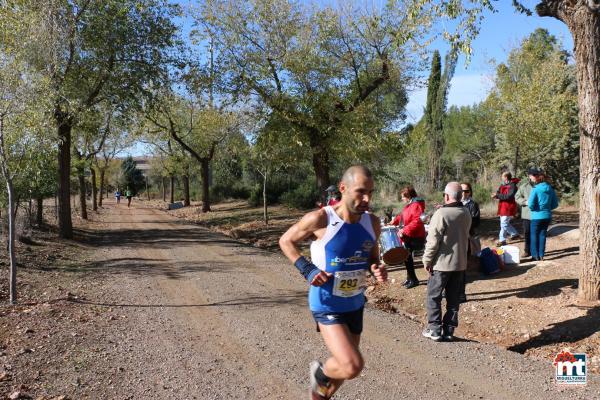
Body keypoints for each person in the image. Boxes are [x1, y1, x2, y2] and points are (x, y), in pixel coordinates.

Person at [279, 165, 387, 400]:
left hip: (355, 303)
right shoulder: (322, 219)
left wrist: (376, 268)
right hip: (326, 303)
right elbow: (286, 240)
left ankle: (318, 397)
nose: (367, 198)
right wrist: (306, 269)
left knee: (344, 368)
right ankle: (319, 374)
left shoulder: (373, 223)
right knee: (352, 366)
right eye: (360, 192)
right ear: (343, 188)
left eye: (371, 192)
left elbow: (371, 256)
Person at [422, 182, 471, 342]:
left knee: (433, 296)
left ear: (447, 196)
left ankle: (435, 329)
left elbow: (432, 240)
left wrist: (427, 260)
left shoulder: (441, 214)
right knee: (453, 298)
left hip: (441, 264)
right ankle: (449, 330)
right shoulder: (466, 212)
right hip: (460, 263)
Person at [391, 186, 426, 289]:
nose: (402, 199)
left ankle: (413, 280)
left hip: (416, 236)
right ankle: (410, 278)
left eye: (403, 197)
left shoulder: (416, 205)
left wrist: (404, 230)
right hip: (409, 235)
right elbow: (403, 216)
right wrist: (395, 221)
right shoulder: (410, 205)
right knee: (406, 257)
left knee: (407, 256)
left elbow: (417, 221)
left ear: (408, 195)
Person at [528, 171, 559, 261]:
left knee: (534, 235)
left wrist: (534, 209)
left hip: (536, 216)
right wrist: (547, 208)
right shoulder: (550, 188)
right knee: (542, 235)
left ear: (537, 178)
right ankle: (541, 255)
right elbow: (555, 204)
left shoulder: (536, 189)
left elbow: (530, 204)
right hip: (547, 216)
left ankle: (535, 256)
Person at [460, 182, 480, 303]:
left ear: (470, 192)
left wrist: (466, 226)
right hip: (455, 239)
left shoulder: (473, 204)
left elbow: (476, 221)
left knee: (463, 264)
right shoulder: (453, 203)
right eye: (462, 191)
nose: (464, 193)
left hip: (467, 237)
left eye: (466, 191)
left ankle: (461, 293)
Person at [491, 171, 520, 246]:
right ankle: (503, 240)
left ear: (506, 177)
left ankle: (514, 233)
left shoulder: (513, 186)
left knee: (504, 223)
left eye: (502, 176)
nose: (501, 177)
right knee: (503, 223)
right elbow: (498, 192)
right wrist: (495, 195)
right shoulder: (502, 185)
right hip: (502, 206)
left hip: (509, 207)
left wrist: (497, 196)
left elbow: (509, 196)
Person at [515, 168, 537, 259]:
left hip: (537, 214)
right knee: (527, 233)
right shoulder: (523, 186)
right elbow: (517, 197)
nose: (535, 177)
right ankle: (527, 251)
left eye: (536, 175)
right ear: (529, 176)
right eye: (533, 175)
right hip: (527, 214)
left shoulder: (541, 185)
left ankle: (535, 253)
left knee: (535, 234)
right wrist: (524, 202)